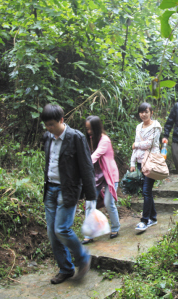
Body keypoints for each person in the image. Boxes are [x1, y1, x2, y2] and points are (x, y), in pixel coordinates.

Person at [41, 104, 95, 285]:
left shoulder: (76, 137)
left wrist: (91, 196)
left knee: (61, 229)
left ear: (61, 120)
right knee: (52, 232)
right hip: (50, 189)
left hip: (68, 189)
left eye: (52, 125)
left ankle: (83, 258)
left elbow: (87, 167)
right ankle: (65, 269)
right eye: (46, 125)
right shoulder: (48, 137)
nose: (49, 129)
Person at [82, 116, 121, 244]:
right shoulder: (89, 139)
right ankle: (89, 233)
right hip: (96, 177)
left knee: (108, 202)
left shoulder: (105, 140)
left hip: (109, 174)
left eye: (91, 129)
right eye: (87, 129)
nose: (88, 132)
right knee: (89, 205)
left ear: (97, 128)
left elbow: (94, 156)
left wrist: (82, 167)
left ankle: (115, 227)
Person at [130, 102, 162, 231]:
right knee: (146, 191)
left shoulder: (156, 126)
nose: (143, 114)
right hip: (139, 161)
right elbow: (136, 147)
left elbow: (149, 144)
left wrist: (136, 144)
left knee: (146, 191)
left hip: (151, 161)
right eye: (141, 112)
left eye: (146, 112)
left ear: (151, 113)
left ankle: (144, 220)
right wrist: (132, 163)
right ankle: (153, 217)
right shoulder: (138, 127)